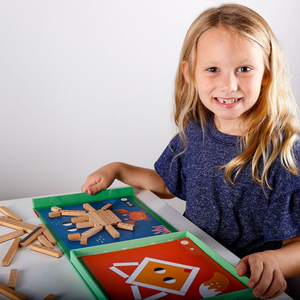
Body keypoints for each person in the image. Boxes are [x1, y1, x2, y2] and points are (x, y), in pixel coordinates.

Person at [81, 4, 300, 299]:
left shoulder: (286, 151)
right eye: (212, 69)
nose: (229, 84)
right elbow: (168, 184)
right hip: (197, 268)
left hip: (251, 284)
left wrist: (275, 261)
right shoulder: (195, 130)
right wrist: (118, 169)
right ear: (189, 73)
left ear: (266, 73)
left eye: (244, 69)